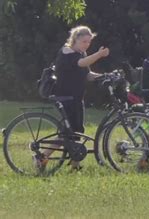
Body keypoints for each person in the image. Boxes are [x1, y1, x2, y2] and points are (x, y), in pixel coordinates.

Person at [35, 25, 110, 170]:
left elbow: (87, 74)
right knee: (67, 133)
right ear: (75, 39)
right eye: (84, 41)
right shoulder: (67, 52)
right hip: (64, 98)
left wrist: (105, 76)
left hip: (76, 98)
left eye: (89, 42)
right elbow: (81, 63)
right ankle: (42, 156)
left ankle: (75, 164)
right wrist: (99, 55)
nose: (87, 44)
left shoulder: (81, 53)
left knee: (77, 131)